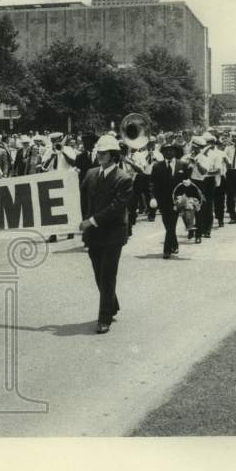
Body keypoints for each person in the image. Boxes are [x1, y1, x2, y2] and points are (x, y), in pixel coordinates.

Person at [78, 135, 133, 334]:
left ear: (113, 155)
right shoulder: (91, 174)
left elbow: (116, 208)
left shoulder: (123, 179)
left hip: (113, 234)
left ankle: (104, 319)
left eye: (104, 153)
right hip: (94, 234)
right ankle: (112, 304)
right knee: (98, 274)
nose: (100, 155)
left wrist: (90, 221)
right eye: (98, 152)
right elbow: (81, 199)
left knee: (108, 275)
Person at [151, 143, 191, 257]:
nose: (168, 153)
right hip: (163, 200)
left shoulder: (183, 165)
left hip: (177, 199)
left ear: (175, 152)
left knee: (171, 223)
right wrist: (153, 197)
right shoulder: (157, 166)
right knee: (167, 223)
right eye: (165, 151)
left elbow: (189, 180)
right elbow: (153, 183)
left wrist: (187, 185)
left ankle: (167, 250)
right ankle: (174, 244)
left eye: (170, 150)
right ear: (162, 153)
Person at [189, 136, 216, 239]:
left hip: (201, 184)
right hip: (190, 183)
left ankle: (200, 233)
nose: (194, 150)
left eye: (197, 148)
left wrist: (196, 163)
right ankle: (191, 228)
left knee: (200, 209)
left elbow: (204, 172)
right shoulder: (188, 156)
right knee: (188, 208)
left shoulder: (205, 158)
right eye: (193, 147)